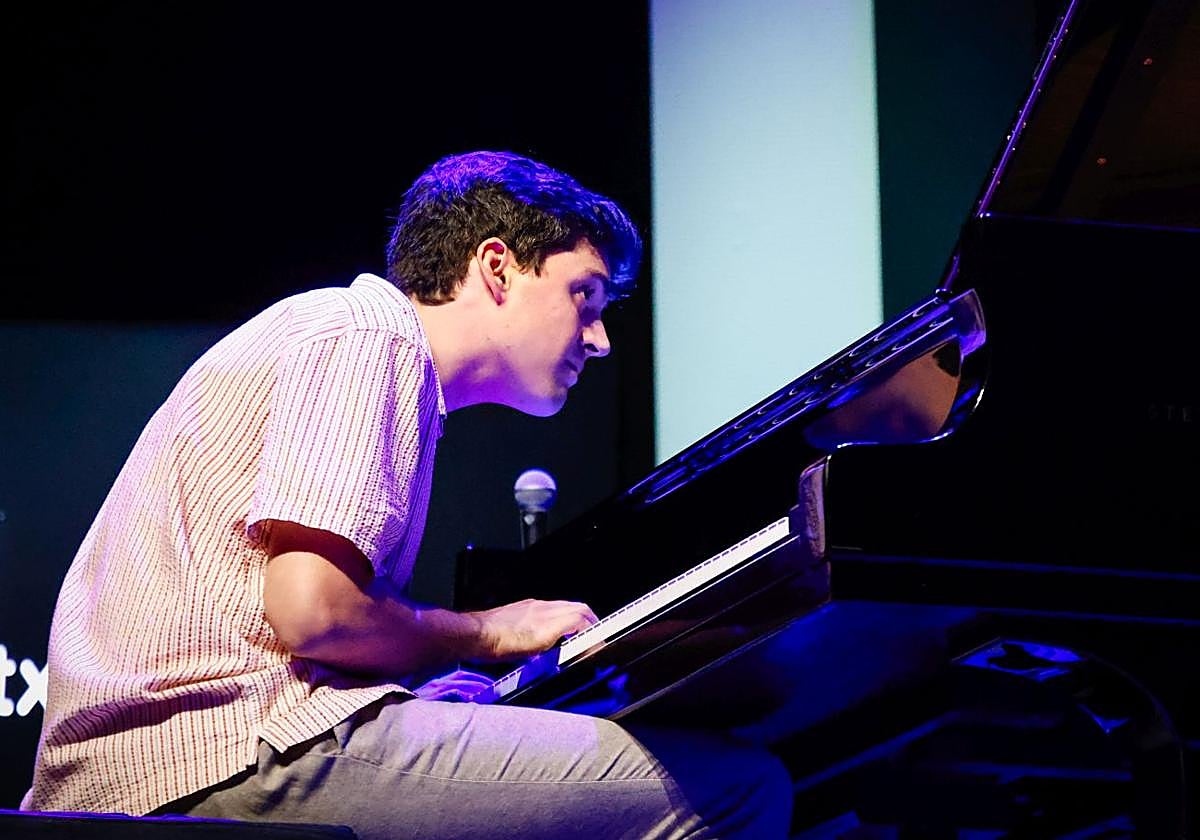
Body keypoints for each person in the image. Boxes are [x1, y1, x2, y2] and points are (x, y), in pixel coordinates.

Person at [22, 151, 792, 838]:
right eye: (584, 296)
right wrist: (487, 633)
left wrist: (418, 688)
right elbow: (314, 611)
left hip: (189, 756)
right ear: (498, 268)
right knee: (731, 788)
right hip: (218, 759)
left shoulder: (369, 352)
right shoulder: (368, 334)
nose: (599, 340)